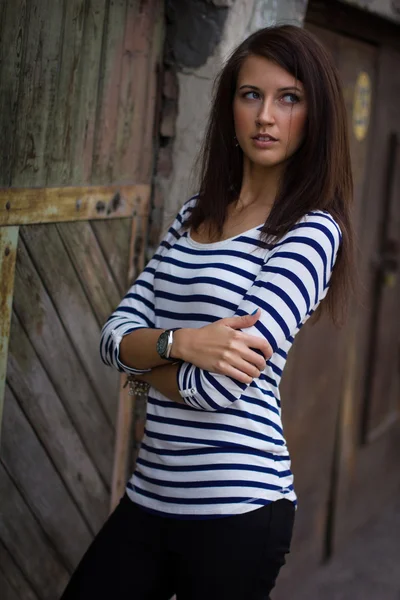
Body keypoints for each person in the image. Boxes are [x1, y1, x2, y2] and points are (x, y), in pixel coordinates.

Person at [60, 24, 353, 600]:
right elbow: (109, 335)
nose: (266, 115)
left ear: (314, 115)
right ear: (231, 108)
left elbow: (217, 391)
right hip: (149, 497)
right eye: (251, 95)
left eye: (288, 98)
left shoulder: (311, 233)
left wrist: (139, 363)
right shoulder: (194, 214)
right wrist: (181, 344)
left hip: (237, 512)